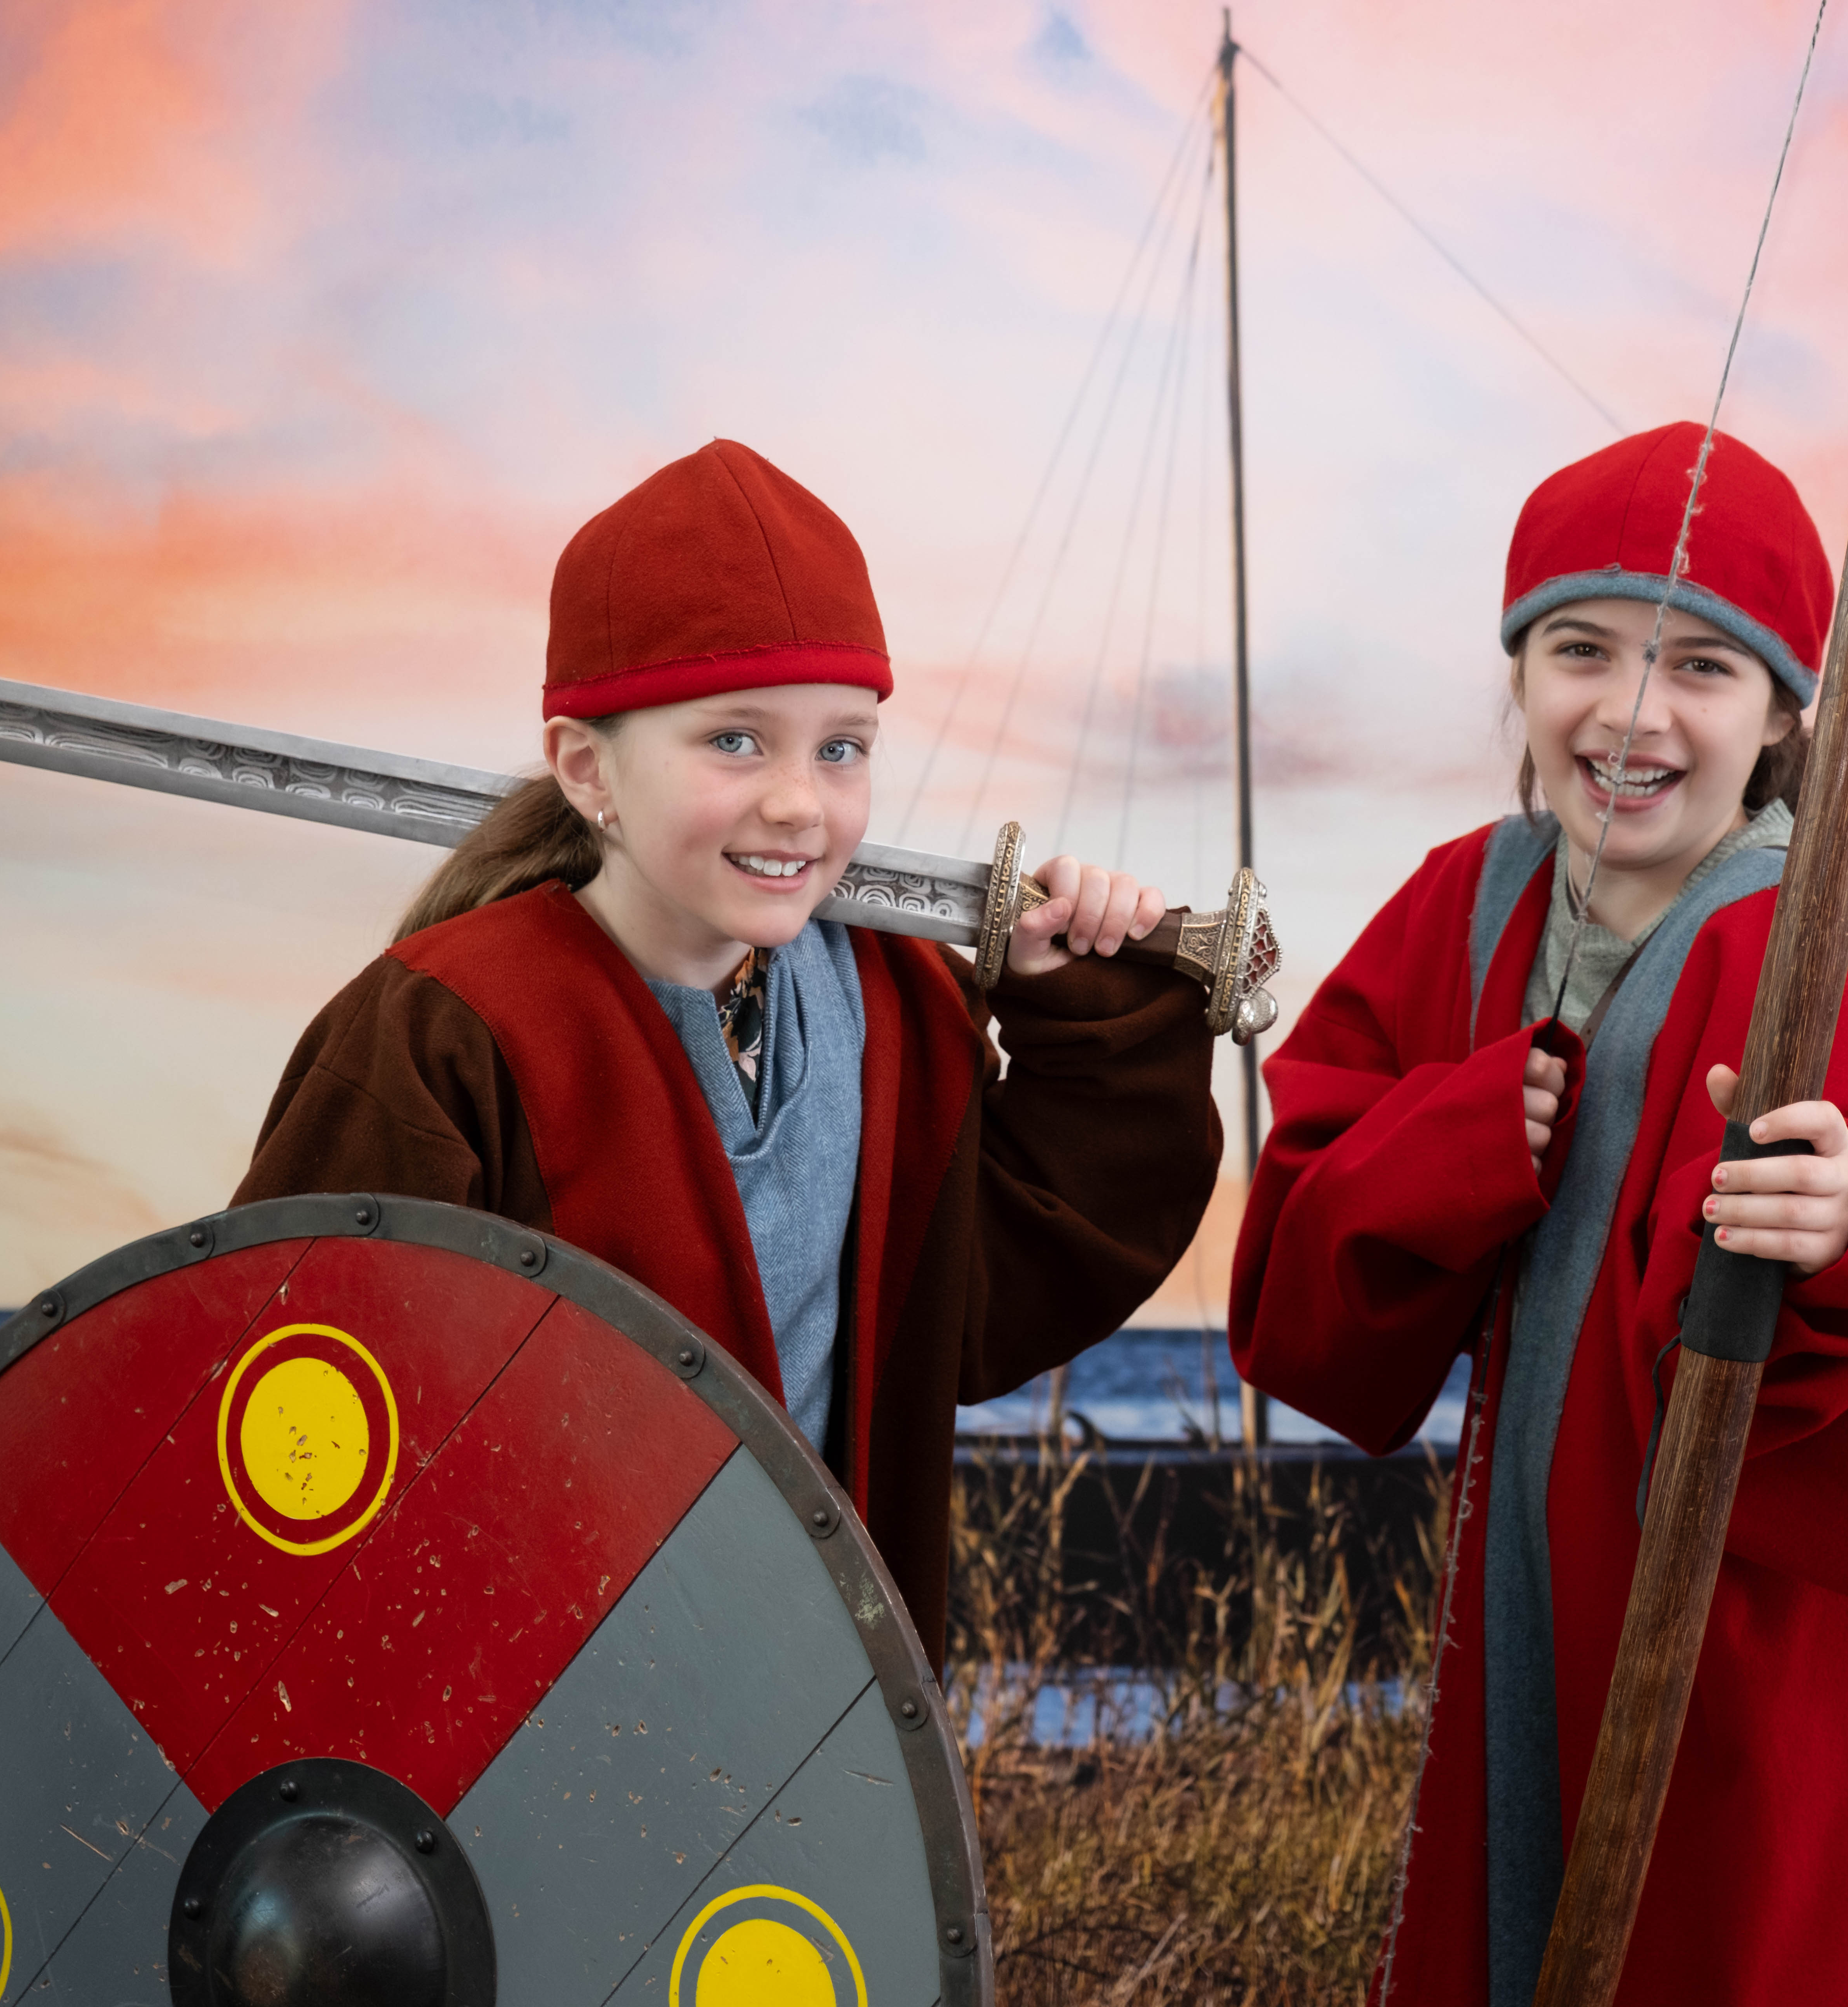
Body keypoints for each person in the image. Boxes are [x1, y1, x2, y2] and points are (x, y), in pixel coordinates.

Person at [1228, 423, 1848, 2004]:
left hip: (1799, 1664)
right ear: (1521, 678)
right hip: (1550, 1608)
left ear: (1780, 719)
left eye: (1700, 665)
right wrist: (1453, 1142)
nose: (1630, 710)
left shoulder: (1815, 950)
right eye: (1582, 650)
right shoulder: (1464, 905)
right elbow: (1300, 1275)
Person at [235, 438, 1223, 1665]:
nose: (802, 803)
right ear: (589, 769)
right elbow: (292, 1429)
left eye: (841, 746)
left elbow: (974, 1306)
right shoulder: (446, 1031)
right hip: (516, 1714)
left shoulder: (895, 1001)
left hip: (815, 1697)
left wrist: (1081, 1019)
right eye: (736, 743)